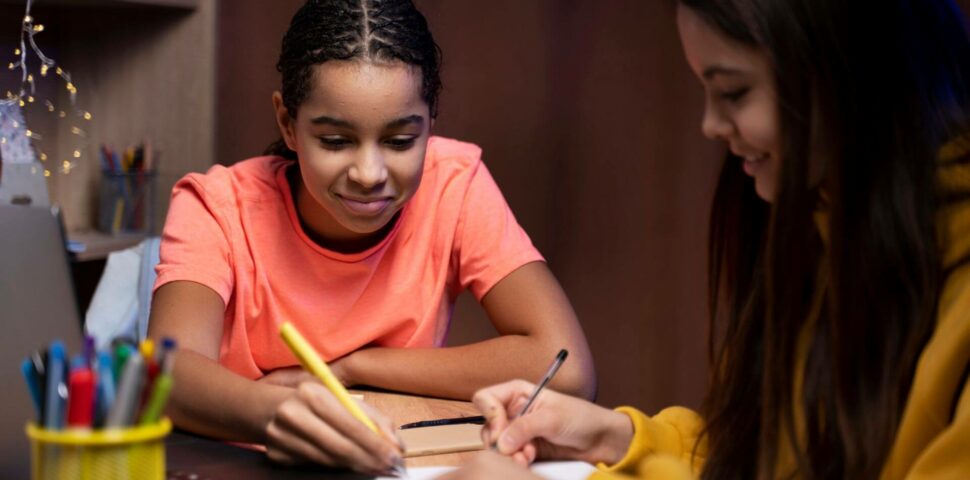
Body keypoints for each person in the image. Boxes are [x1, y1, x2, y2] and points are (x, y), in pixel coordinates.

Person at [442, 0, 970, 478]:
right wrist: (615, 436)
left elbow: (559, 354)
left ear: (847, 70)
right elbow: (771, 458)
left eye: (734, 93)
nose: (711, 125)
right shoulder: (828, 226)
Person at [147, 0, 595, 474]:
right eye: (336, 142)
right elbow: (169, 373)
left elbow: (568, 370)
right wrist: (280, 415)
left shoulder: (455, 184)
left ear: (430, 125)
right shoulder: (215, 206)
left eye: (401, 141)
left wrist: (354, 367)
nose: (369, 173)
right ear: (288, 124)